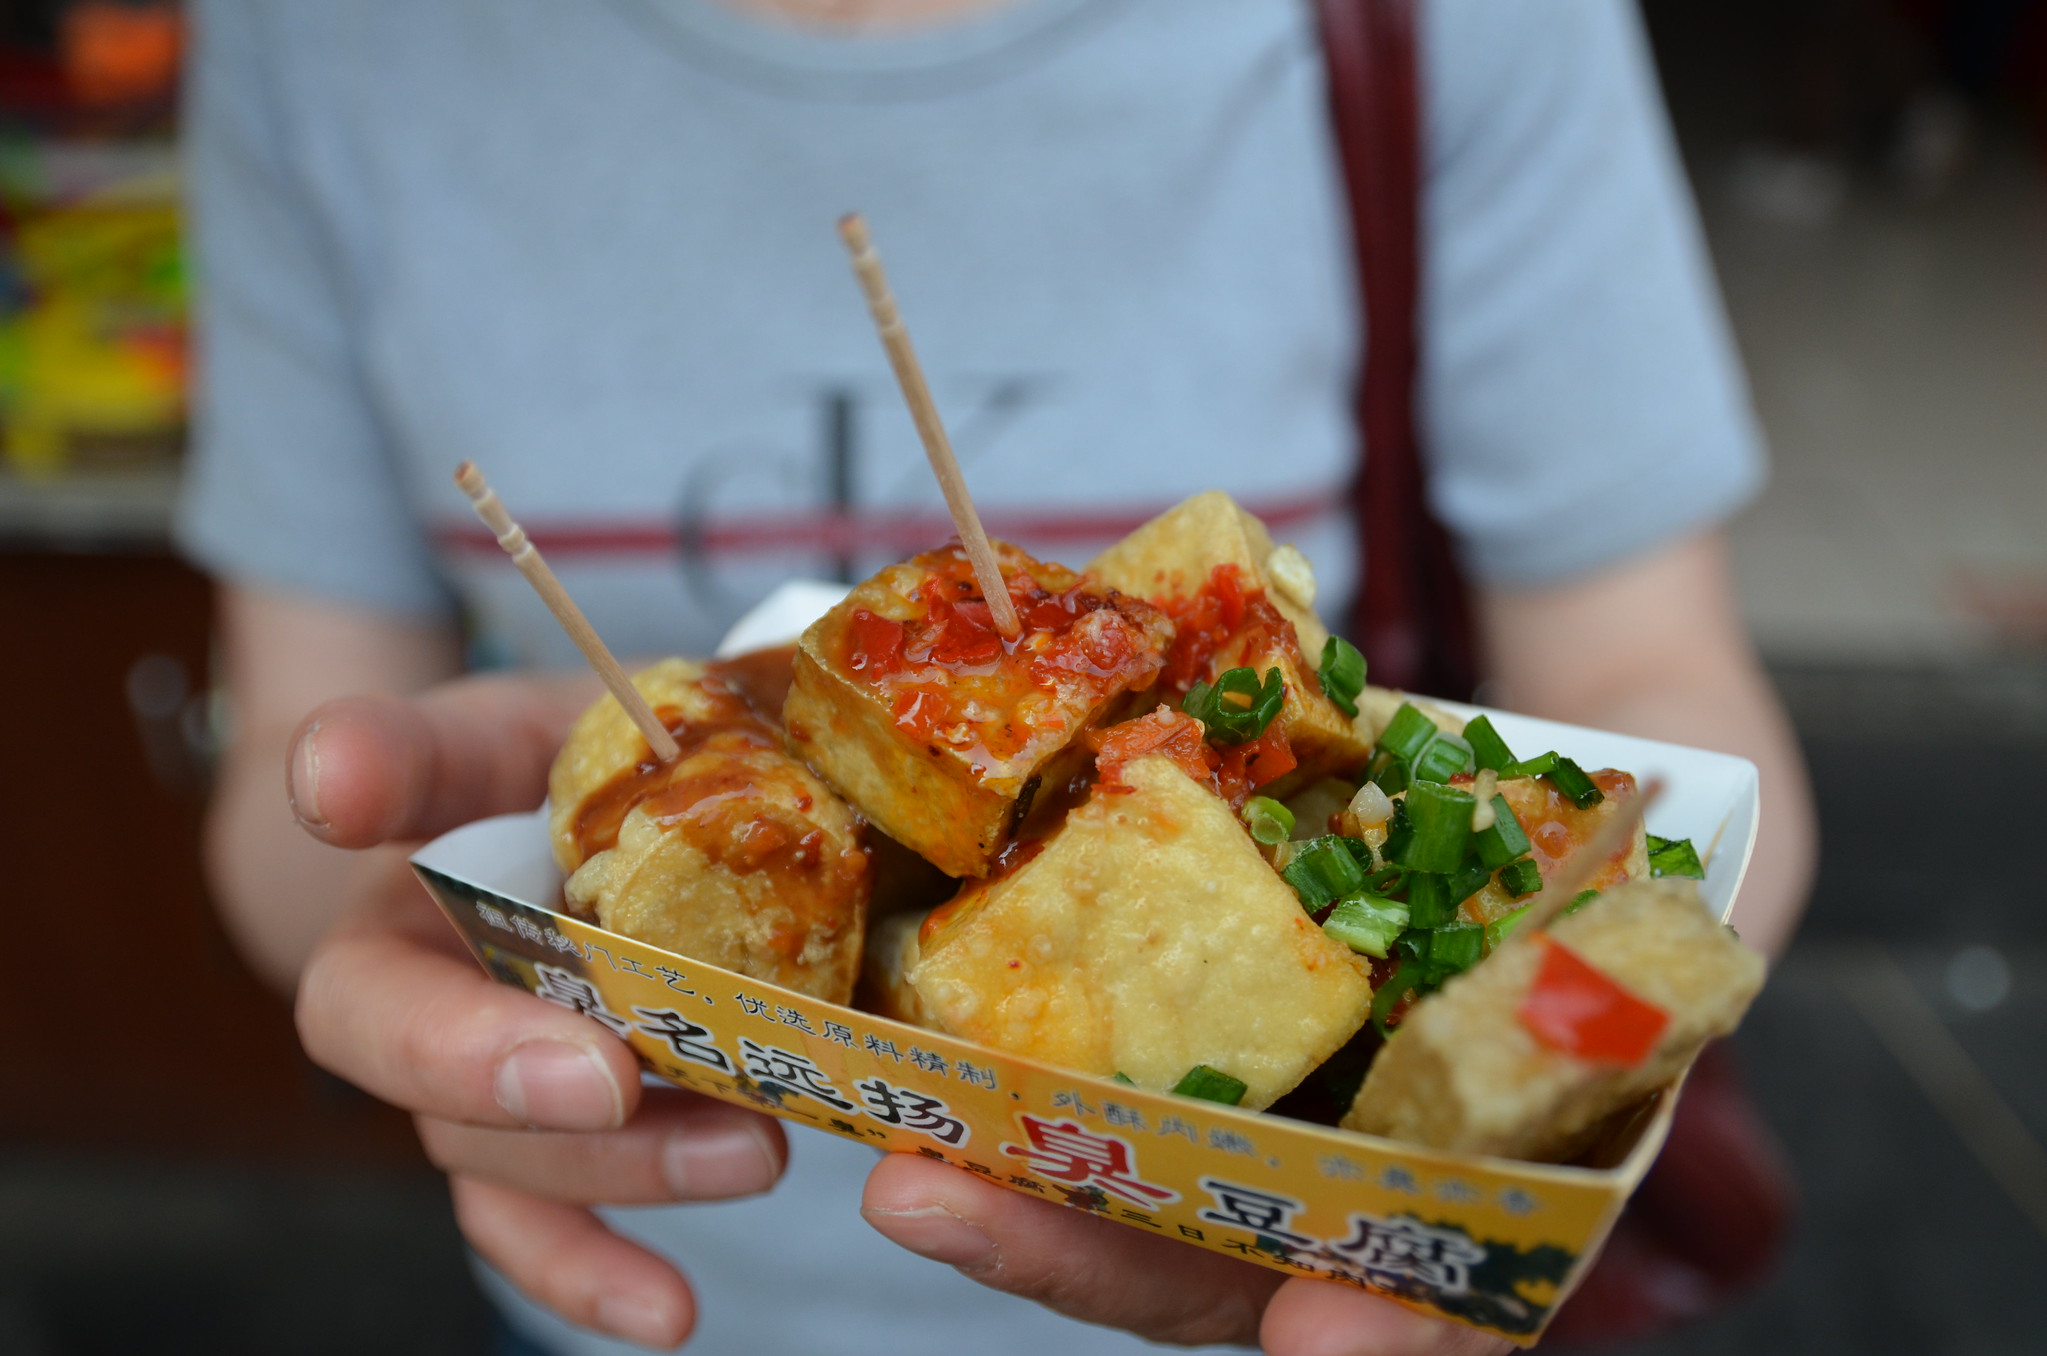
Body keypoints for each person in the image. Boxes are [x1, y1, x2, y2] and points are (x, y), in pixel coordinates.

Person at [178, 0, 1817, 1352]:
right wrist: (396, 906)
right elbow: (283, 809)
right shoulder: (317, 42)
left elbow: (1660, 681)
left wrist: (1552, 1083)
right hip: (648, 1280)